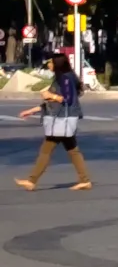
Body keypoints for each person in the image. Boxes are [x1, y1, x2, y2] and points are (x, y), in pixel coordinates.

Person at [18, 45, 90, 191]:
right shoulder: (65, 77)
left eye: (51, 62)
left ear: (57, 64)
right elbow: (52, 102)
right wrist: (32, 110)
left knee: (46, 150)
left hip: (62, 119)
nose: (48, 65)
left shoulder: (64, 79)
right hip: (63, 119)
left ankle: (32, 181)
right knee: (73, 150)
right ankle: (84, 180)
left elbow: (67, 99)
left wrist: (50, 95)